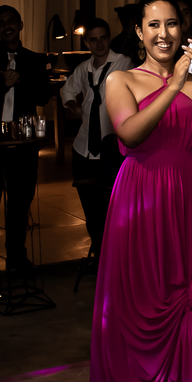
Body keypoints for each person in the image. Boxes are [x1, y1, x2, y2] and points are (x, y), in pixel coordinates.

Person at [90, 0, 192, 382]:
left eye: (171, 24)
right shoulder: (121, 79)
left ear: (183, 30)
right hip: (142, 200)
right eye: (154, 25)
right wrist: (172, 85)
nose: (164, 34)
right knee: (140, 304)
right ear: (139, 32)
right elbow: (130, 132)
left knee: (189, 301)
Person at [0, 5, 51, 271]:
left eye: (11, 21)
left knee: (20, 202)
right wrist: (2, 85)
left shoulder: (35, 60)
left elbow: (43, 96)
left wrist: (20, 80)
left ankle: (16, 258)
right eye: (0, 23)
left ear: (20, 24)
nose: (6, 27)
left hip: (24, 142)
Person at [62, 18, 132, 259]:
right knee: (90, 211)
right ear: (86, 42)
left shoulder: (123, 64)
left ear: (109, 38)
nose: (99, 43)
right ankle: (99, 257)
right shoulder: (84, 68)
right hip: (83, 147)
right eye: (93, 39)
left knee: (113, 208)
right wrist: (74, 106)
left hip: (111, 149)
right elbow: (67, 90)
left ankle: (116, 259)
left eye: (103, 38)